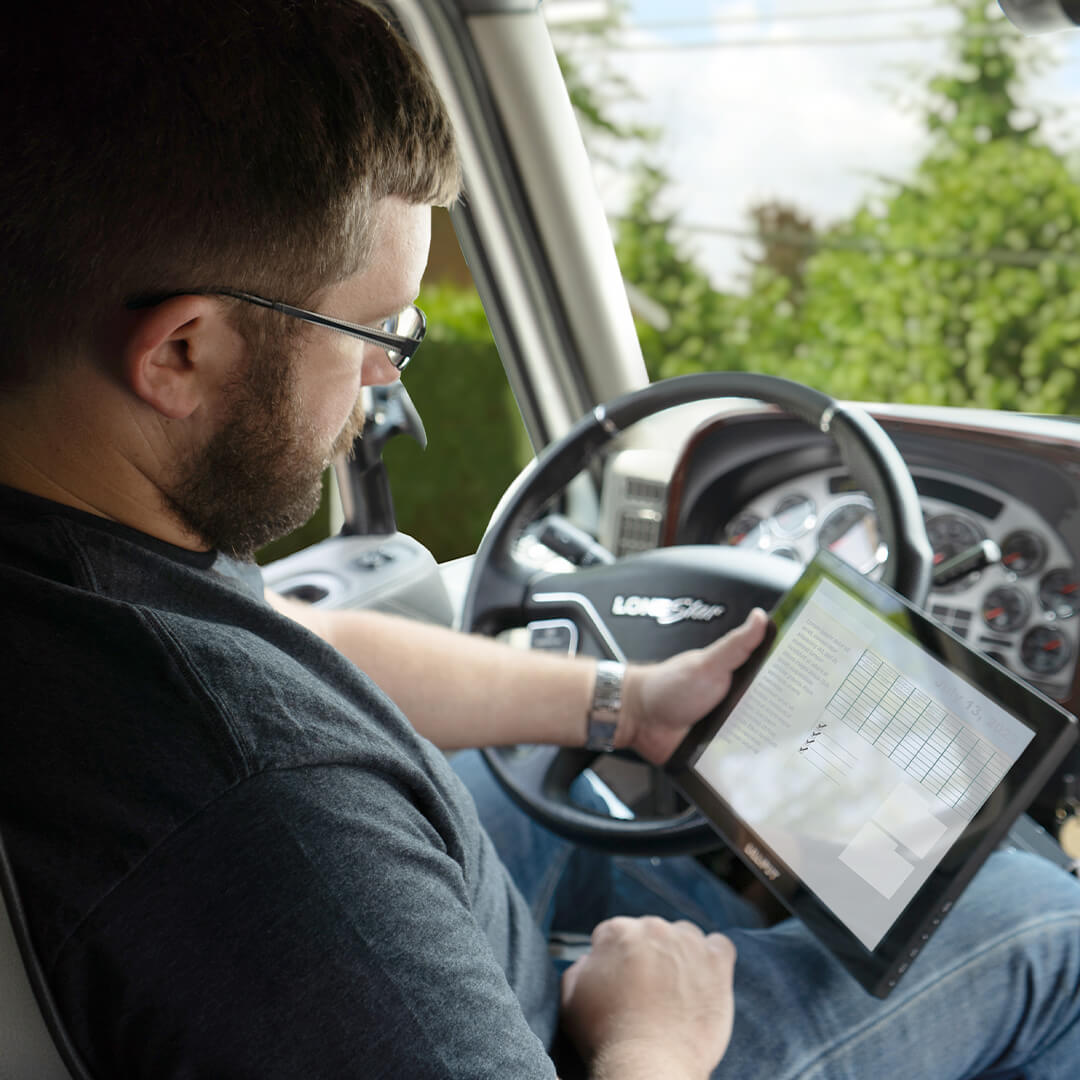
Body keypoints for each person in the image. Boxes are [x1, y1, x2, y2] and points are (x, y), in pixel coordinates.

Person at [0, 2, 1077, 1077]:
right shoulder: (277, 823)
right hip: (567, 1038)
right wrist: (656, 1033)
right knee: (1052, 927)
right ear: (181, 354)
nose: (386, 376)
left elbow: (293, 643)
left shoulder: (93, 558)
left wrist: (628, 705)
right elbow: (277, 764)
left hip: (446, 915)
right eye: (381, 331)